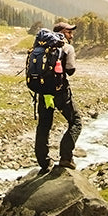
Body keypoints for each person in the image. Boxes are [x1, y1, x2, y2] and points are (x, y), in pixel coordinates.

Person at [35, 21, 83, 173]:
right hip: (60, 93)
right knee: (76, 121)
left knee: (44, 126)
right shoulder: (67, 47)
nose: (72, 35)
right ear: (62, 32)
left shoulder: (42, 47)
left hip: (44, 93)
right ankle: (65, 157)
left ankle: (43, 162)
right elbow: (70, 70)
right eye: (69, 32)